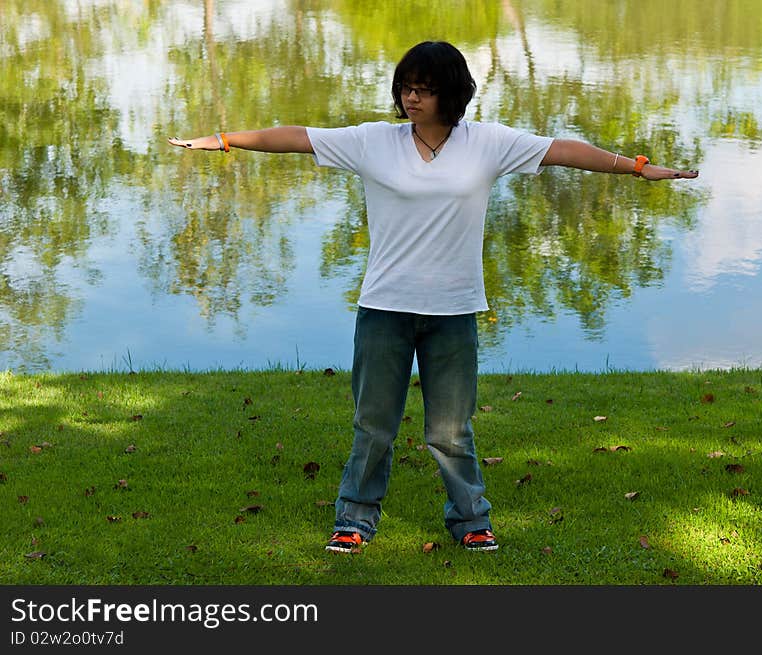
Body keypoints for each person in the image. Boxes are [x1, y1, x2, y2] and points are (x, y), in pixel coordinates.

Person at [169, 40, 698, 554]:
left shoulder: (487, 144)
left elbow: (561, 151)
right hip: (384, 309)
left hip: (453, 311)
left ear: (450, 93)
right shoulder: (374, 141)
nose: (410, 99)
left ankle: (471, 521)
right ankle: (354, 520)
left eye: (423, 89)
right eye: (405, 88)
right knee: (373, 426)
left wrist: (634, 166)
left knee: (451, 431)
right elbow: (298, 137)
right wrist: (226, 140)